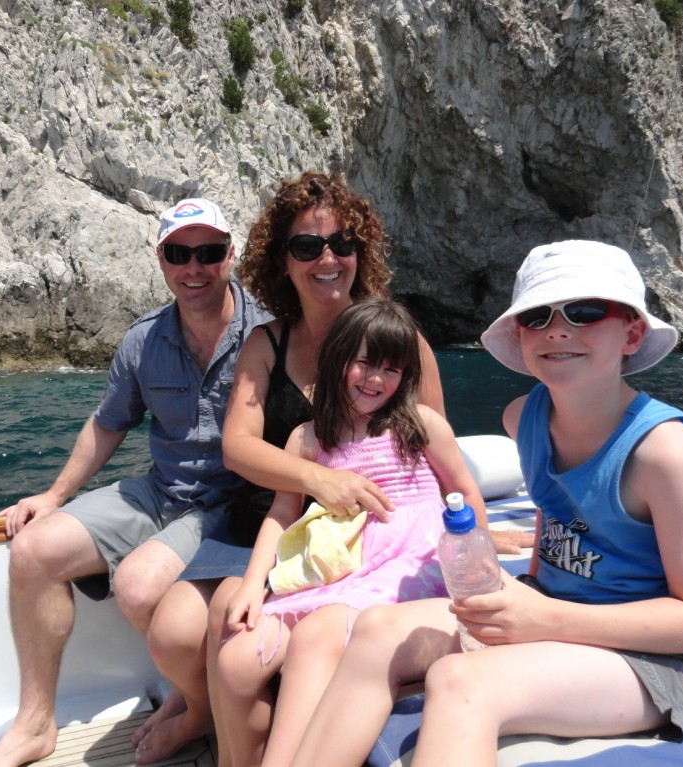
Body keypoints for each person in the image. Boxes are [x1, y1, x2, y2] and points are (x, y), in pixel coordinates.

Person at [289, 240, 683, 767]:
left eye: (586, 311)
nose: (558, 329)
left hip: (653, 659)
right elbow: (556, 524)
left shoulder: (663, 452)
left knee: (461, 680)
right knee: (377, 629)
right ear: (520, 336)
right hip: (551, 614)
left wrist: (546, 618)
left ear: (632, 333)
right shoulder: (525, 418)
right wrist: (522, 595)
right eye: (538, 315)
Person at [134, 171, 466, 764]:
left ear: (361, 255)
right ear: (282, 261)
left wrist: (471, 535)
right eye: (307, 247)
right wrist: (320, 480)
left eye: (342, 244)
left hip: (371, 547)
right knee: (173, 632)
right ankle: (210, 726)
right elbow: (238, 447)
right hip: (272, 522)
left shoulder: (397, 341)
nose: (327, 258)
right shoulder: (268, 344)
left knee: (226, 629)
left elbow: (431, 458)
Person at [0, 197, 272, 767]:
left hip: (230, 503)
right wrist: (53, 494)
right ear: (161, 260)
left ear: (230, 255)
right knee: (34, 550)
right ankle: (36, 721)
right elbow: (109, 422)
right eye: (179, 253)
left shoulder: (265, 332)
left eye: (208, 252)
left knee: (139, 587)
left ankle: (198, 708)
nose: (194, 267)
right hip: (162, 491)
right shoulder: (143, 341)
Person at [215, 299, 489, 767]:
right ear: (338, 357)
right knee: (237, 661)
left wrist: (482, 570)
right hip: (348, 566)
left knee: (316, 636)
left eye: (392, 369)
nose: (376, 379)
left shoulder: (420, 426)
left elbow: (464, 494)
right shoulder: (307, 437)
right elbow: (282, 515)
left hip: (411, 564)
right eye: (364, 362)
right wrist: (251, 584)